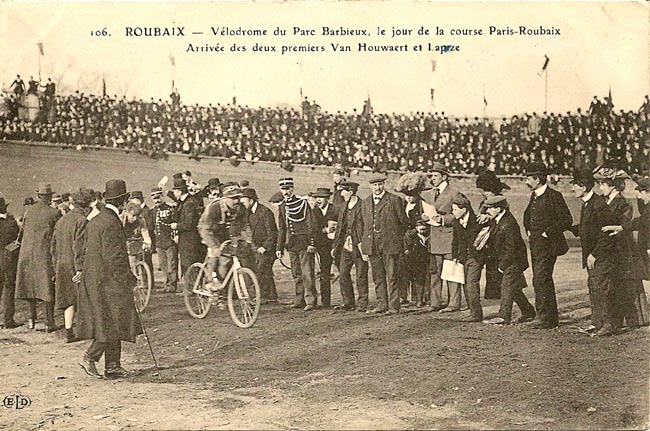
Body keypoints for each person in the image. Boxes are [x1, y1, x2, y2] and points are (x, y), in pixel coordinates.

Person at [76, 179, 142, 379]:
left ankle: (113, 366)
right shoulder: (112, 222)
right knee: (114, 320)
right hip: (109, 281)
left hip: (96, 279)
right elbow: (114, 258)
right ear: (123, 201)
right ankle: (90, 357)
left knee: (112, 319)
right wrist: (129, 278)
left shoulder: (96, 219)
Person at [595, 169, 649, 328]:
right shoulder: (605, 201)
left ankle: (629, 320)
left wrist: (616, 229)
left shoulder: (623, 202)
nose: (601, 187)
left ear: (613, 186)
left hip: (622, 248)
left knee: (624, 284)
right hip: (610, 247)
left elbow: (626, 226)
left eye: (603, 184)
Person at [522, 162, 573, 329]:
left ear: (537, 179)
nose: (526, 181)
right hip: (536, 244)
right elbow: (528, 215)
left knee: (541, 278)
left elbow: (566, 220)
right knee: (541, 278)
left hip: (548, 245)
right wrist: (528, 229)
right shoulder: (535, 195)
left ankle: (544, 317)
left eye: (528, 178)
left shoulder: (554, 196)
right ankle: (549, 317)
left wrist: (547, 232)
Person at [569, 169, 619, 336]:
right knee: (594, 287)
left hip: (601, 257)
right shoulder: (588, 203)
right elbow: (588, 227)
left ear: (583, 187)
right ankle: (597, 323)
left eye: (575, 186)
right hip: (594, 257)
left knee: (602, 288)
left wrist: (595, 254)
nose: (572, 189)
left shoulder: (598, 204)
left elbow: (608, 233)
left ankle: (608, 325)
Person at [482, 196, 537, 325]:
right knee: (515, 288)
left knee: (506, 287)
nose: (487, 211)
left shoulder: (508, 223)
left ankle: (503, 316)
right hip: (509, 260)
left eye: (490, 208)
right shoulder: (499, 220)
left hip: (512, 261)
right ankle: (528, 311)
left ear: (499, 209)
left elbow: (511, 248)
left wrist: (502, 266)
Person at [15, 183, 61, 332]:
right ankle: (49, 322)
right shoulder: (54, 213)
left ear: (38, 196)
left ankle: (31, 320)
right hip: (44, 254)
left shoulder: (29, 211)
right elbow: (57, 235)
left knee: (30, 286)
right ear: (49, 197)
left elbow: (22, 232)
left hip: (27, 254)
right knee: (47, 286)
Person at [360, 173, 408, 314]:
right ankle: (382, 304)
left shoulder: (394, 200)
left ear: (384, 184)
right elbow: (364, 224)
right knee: (377, 276)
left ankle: (394, 306)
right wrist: (365, 245)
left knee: (392, 275)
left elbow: (403, 222)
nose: (377, 187)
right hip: (372, 244)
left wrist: (395, 238)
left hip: (390, 244)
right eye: (374, 185)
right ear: (370, 186)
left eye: (380, 184)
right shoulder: (366, 202)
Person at [50, 189, 92, 343]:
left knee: (68, 298)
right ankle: (84, 330)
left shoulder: (61, 221)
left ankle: (69, 332)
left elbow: (53, 247)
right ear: (86, 206)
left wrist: (55, 267)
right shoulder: (82, 221)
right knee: (82, 297)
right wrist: (80, 269)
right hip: (75, 265)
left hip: (61, 264)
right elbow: (79, 247)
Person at [421, 163, 463, 313]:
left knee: (451, 271)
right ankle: (435, 302)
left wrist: (444, 219)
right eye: (431, 176)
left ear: (444, 177)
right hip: (434, 238)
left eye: (435, 176)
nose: (432, 179)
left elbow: (462, 212)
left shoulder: (454, 193)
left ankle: (454, 303)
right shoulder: (430, 193)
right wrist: (424, 217)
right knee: (435, 272)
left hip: (449, 238)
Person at [197, 182, 254, 290]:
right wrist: (214, 247)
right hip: (208, 230)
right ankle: (210, 281)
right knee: (215, 254)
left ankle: (224, 288)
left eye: (238, 198)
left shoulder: (240, 208)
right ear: (224, 198)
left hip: (224, 233)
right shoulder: (214, 208)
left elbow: (245, 226)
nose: (236, 201)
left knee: (226, 261)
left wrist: (248, 240)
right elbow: (205, 229)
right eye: (232, 198)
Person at [276, 178, 318, 312]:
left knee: (307, 273)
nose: (285, 192)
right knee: (296, 273)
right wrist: (279, 247)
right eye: (283, 189)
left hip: (304, 243)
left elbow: (311, 224)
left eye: (288, 189)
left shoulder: (302, 203)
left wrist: (312, 243)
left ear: (292, 189)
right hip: (292, 244)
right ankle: (299, 299)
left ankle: (310, 300)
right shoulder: (282, 206)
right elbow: (282, 228)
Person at [395, 172, 434, 305]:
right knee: (403, 269)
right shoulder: (402, 205)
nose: (409, 198)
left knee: (419, 270)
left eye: (411, 196)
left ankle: (420, 297)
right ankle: (403, 296)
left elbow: (425, 224)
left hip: (418, 242)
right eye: (407, 196)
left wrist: (414, 231)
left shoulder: (423, 205)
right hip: (405, 242)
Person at [331, 181, 369, 311]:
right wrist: (335, 246)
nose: (341, 194)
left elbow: (367, 227)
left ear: (351, 192)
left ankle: (362, 303)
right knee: (343, 274)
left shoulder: (363, 205)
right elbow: (339, 228)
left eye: (344, 191)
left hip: (359, 246)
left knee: (361, 275)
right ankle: (348, 302)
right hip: (345, 246)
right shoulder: (344, 206)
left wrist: (364, 245)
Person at [475, 168, 511, 300]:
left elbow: (503, 217)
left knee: (497, 269)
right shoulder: (485, 202)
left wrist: (488, 218)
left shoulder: (499, 201)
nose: (484, 194)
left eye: (486, 191)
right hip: (489, 241)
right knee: (492, 269)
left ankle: (501, 296)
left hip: (497, 240)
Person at [240, 187, 278, 304]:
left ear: (251, 201)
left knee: (261, 268)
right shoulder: (246, 213)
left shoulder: (265, 212)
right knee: (257, 268)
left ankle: (264, 296)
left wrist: (265, 247)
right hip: (255, 247)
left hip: (267, 248)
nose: (242, 204)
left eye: (244, 202)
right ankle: (272, 295)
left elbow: (272, 232)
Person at [451, 194, 484, 322]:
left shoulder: (476, 221)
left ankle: (476, 314)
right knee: (466, 285)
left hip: (475, 258)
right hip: (463, 258)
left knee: (471, 284)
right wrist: (455, 256)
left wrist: (480, 257)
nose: (453, 212)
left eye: (454, 210)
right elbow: (455, 241)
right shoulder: (456, 222)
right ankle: (473, 312)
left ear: (464, 210)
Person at [170, 177, 206, 278]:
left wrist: (176, 226)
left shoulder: (189, 203)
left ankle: (190, 289)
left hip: (190, 240)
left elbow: (189, 223)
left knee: (189, 264)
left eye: (175, 191)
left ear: (180, 192)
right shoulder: (184, 202)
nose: (174, 194)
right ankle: (190, 288)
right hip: (185, 239)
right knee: (186, 264)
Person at [311, 187, 339, 308]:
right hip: (322, 247)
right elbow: (312, 230)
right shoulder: (313, 211)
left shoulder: (335, 210)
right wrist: (324, 230)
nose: (318, 200)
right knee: (324, 274)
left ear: (327, 198)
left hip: (336, 246)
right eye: (317, 197)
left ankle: (348, 301)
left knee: (343, 272)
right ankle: (325, 302)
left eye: (321, 198)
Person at [151, 188, 178, 293]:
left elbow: (175, 222)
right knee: (163, 265)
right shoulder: (153, 211)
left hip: (169, 240)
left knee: (172, 264)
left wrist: (175, 236)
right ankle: (166, 284)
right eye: (154, 198)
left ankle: (172, 285)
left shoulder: (170, 208)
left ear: (162, 196)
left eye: (158, 197)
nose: (157, 200)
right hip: (159, 241)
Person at [0, 197, 21, 329]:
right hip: (8, 257)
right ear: (5, 208)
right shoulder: (11, 222)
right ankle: (8, 320)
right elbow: (17, 239)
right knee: (9, 287)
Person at [403, 219, 429, 308]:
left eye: (424, 229)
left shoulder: (428, 235)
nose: (423, 231)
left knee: (423, 280)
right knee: (415, 279)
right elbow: (407, 248)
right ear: (416, 228)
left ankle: (422, 299)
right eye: (421, 229)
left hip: (425, 260)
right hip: (414, 260)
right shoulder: (411, 236)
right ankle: (415, 299)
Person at [129, 191, 155, 273]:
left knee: (141, 259)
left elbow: (145, 231)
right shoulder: (123, 219)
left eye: (137, 216)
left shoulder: (141, 219)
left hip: (137, 241)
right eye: (133, 216)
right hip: (127, 240)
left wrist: (148, 242)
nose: (135, 219)